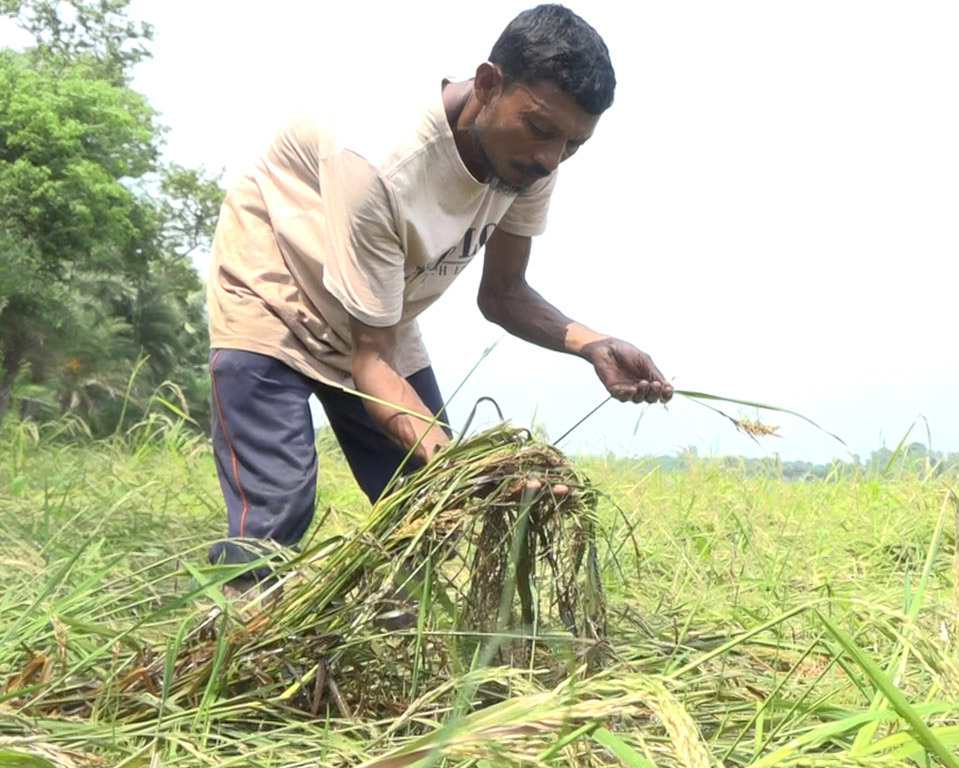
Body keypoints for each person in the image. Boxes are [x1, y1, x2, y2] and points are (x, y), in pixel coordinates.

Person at [204, 4, 670, 585]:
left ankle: (386, 642)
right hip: (274, 297)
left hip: (377, 309)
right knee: (275, 515)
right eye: (542, 129)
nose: (551, 159)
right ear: (488, 83)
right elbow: (369, 359)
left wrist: (594, 345)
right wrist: (459, 465)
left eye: (574, 144)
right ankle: (233, 648)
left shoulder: (529, 163)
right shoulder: (380, 158)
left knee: (426, 513)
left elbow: (503, 294)